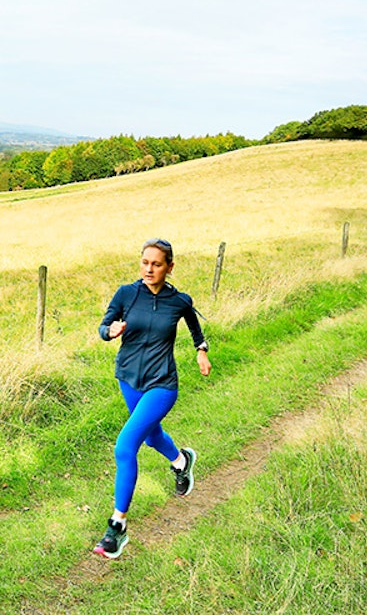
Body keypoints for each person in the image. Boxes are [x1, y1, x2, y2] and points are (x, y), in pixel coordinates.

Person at [92, 237, 211, 559]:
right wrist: (110, 331)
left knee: (125, 445)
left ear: (169, 267)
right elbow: (103, 327)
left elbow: (196, 331)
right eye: (145, 262)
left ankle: (117, 526)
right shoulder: (126, 294)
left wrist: (201, 352)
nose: (149, 269)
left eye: (157, 264)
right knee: (151, 436)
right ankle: (182, 461)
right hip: (129, 378)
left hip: (162, 384)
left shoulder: (180, 301)